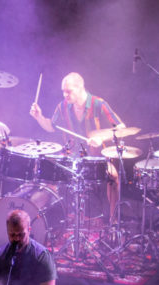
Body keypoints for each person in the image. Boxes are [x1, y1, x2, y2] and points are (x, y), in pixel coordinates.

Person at [29, 72, 125, 223]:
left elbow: (122, 128)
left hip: (96, 157)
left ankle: (114, 220)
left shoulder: (98, 104)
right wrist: (39, 117)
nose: (65, 94)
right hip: (71, 156)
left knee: (113, 177)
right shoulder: (63, 106)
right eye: (63, 91)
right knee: (48, 179)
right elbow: (51, 127)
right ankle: (37, 221)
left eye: (68, 91)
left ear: (80, 87)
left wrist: (101, 138)